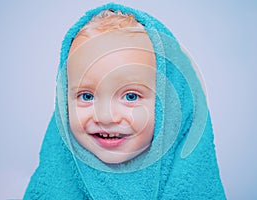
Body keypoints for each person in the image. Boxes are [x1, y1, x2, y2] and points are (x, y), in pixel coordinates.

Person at [24, 3, 226, 199]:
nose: (106, 116)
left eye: (131, 96)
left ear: (172, 109)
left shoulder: (190, 185)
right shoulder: (53, 187)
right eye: (86, 96)